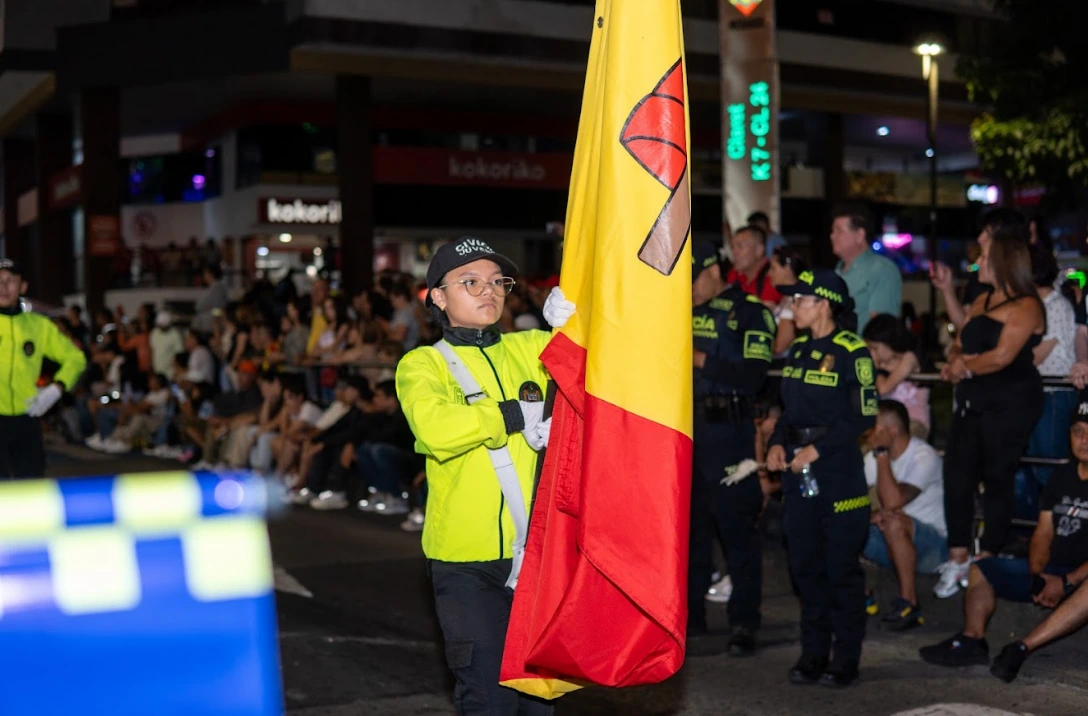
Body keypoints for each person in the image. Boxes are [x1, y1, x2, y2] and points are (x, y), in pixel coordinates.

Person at [396, 237, 571, 715]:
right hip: (466, 562)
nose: (488, 292)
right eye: (470, 282)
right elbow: (435, 428)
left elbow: (607, 372)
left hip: (539, 554)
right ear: (437, 295)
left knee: (539, 702)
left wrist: (578, 327)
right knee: (488, 700)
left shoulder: (535, 346)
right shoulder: (423, 364)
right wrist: (515, 414)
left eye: (497, 282)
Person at [766, 268, 877, 688]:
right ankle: (813, 653)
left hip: (837, 476)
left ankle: (844, 657)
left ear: (824, 304)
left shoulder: (853, 351)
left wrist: (819, 448)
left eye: (799, 299)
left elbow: (863, 413)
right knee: (805, 568)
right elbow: (786, 412)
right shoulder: (796, 351)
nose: (792, 306)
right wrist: (777, 442)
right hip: (797, 477)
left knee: (840, 571)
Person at [921, 401, 1088, 672]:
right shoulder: (1062, 476)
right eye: (1078, 431)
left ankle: (1022, 647)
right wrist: (1038, 577)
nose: (1084, 440)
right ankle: (972, 639)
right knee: (981, 568)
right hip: (1053, 572)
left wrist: (1067, 583)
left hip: (1079, 580)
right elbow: (1043, 532)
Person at [936, 225, 1045, 600]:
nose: (977, 262)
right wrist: (954, 362)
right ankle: (958, 556)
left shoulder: (1028, 305)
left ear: (1001, 262)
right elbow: (959, 340)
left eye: (983, 257)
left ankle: (989, 555)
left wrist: (964, 366)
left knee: (999, 476)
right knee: (957, 474)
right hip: (972, 398)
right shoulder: (980, 299)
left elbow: (1002, 356)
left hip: (1010, 401)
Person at [687, 240, 776, 656]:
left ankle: (744, 621)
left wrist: (700, 359)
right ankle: (690, 619)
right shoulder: (677, 312)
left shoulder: (751, 311)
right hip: (688, 432)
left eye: (693, 280)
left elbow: (755, 375)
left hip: (732, 433)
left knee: (738, 531)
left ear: (714, 270)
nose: (688, 290)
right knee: (691, 534)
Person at [863, 400, 947, 631]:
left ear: (892, 431)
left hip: (932, 548)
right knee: (841, 520)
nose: (868, 432)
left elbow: (894, 502)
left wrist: (881, 454)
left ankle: (909, 603)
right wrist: (869, 515)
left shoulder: (924, 456)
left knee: (894, 521)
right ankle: (861, 595)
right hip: (891, 540)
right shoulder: (871, 459)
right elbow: (851, 497)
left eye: (874, 427)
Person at [0, 258, 87, 478]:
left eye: (10, 281)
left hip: (27, 417)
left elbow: (76, 358)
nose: (3, 287)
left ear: (23, 287)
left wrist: (55, 389)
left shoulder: (39, 326)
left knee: (31, 490)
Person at [930, 208, 1027, 331]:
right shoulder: (981, 285)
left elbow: (1006, 349)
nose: (980, 238)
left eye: (988, 232)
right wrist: (947, 289)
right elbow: (965, 329)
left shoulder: (1026, 294)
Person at [830, 203, 901, 334]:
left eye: (839, 231)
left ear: (859, 235)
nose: (832, 236)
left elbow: (881, 330)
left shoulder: (882, 270)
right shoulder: (837, 271)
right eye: (833, 231)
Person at [862, 314, 929, 439]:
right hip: (886, 423)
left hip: (913, 422)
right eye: (869, 348)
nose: (871, 353)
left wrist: (877, 366)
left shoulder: (909, 358)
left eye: (875, 348)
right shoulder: (881, 366)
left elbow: (884, 388)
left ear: (889, 341)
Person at [726, 224, 782, 306]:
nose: (734, 252)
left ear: (759, 250)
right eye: (732, 247)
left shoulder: (773, 277)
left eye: (740, 247)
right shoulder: (734, 274)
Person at [766, 246, 808, 356]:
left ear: (787, 269)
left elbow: (779, 346)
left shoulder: (794, 302)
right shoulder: (786, 300)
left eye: (773, 268)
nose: (769, 274)